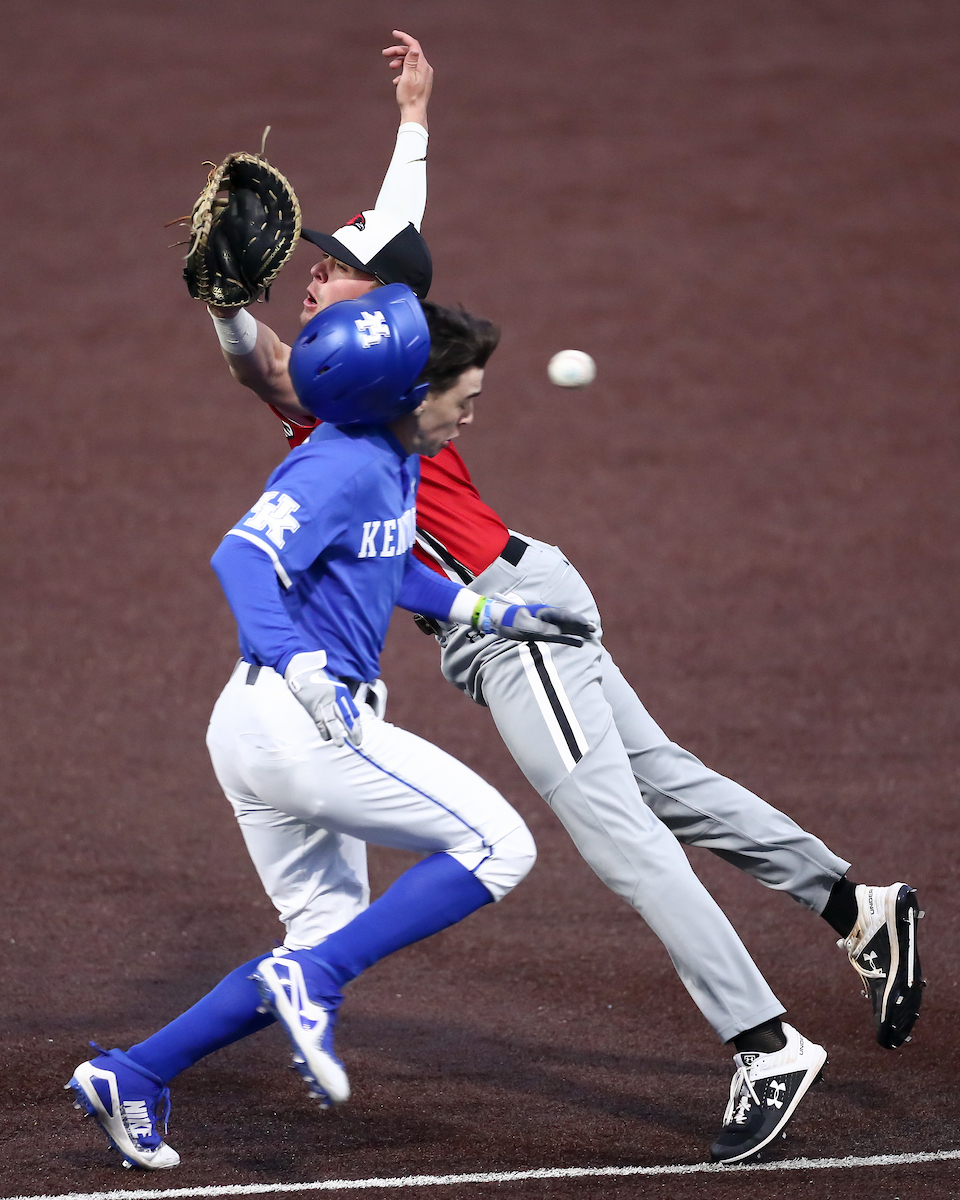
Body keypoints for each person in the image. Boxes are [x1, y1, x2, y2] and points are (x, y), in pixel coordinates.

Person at [191, 31, 925, 1165]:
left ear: (374, 289)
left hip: (509, 615)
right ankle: (855, 907)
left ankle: (764, 1040)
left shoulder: (365, 373)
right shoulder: (362, 365)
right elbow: (348, 286)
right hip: (519, 594)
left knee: (616, 832)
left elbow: (282, 351)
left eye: (326, 266)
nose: (312, 273)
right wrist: (415, 121)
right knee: (666, 786)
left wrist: (225, 304)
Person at [66, 287, 593, 1171]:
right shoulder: (340, 464)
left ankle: (136, 1073)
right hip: (301, 715)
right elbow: (240, 557)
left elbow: (388, 567)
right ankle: (315, 981)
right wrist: (303, 665)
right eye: (463, 395)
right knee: (499, 846)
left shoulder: (392, 456)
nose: (472, 411)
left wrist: (486, 614)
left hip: (259, 725)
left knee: (320, 930)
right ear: (409, 393)